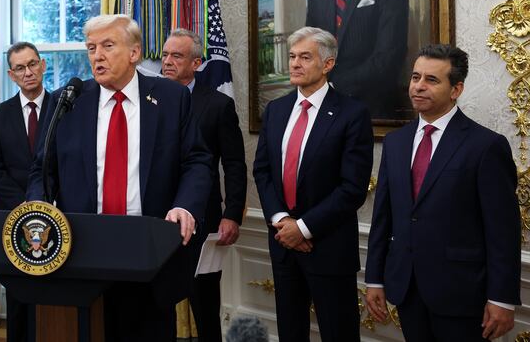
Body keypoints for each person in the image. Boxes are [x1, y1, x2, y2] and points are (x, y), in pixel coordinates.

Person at [26, 14, 212, 342]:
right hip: (82, 248)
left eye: (108, 46)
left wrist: (185, 206)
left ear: (134, 53)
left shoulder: (170, 98)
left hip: (150, 247)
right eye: (91, 48)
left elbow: (196, 161)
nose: (97, 55)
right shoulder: (67, 101)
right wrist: (38, 208)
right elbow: (43, 170)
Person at [365, 44, 521, 341]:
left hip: (462, 293)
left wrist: (501, 298)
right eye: (415, 77)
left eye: (431, 80)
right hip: (407, 287)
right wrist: (374, 278)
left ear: (456, 89)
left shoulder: (486, 146)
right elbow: (383, 217)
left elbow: (503, 231)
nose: (418, 87)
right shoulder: (396, 143)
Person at [252, 26, 373, 342]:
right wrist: (282, 222)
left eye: (305, 57)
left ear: (328, 64)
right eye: (292, 56)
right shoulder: (276, 110)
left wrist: (302, 228)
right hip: (283, 247)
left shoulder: (352, 114)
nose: (294, 64)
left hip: (328, 247)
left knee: (339, 334)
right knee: (291, 333)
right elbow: (262, 171)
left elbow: (352, 188)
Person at [161, 28, 247, 342]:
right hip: (156, 217)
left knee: (204, 303)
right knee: (157, 305)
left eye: (177, 56)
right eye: (166, 54)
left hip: (203, 219)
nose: (168, 62)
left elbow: (235, 164)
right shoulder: (149, 98)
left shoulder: (217, 105)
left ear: (196, 63)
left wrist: (232, 214)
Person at [0, 41, 54, 342]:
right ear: (12, 75)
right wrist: (27, 205)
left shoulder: (64, 107)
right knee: (18, 291)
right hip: (13, 214)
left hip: (57, 215)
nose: (29, 72)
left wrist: (45, 204)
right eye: (21, 68)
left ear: (43, 66)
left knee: (52, 292)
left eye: (33, 64)